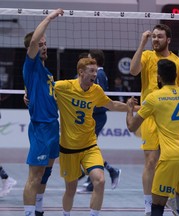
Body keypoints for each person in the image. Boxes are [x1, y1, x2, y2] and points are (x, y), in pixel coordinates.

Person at [54, 57, 135, 216]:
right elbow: (42, 88)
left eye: (96, 71)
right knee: (70, 189)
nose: (95, 75)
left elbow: (111, 105)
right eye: (91, 71)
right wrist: (28, 96)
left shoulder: (96, 90)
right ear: (81, 72)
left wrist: (129, 108)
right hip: (68, 149)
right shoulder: (64, 86)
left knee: (100, 181)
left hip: (90, 146)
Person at [126, 59, 179, 216]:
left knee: (157, 206)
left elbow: (132, 126)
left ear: (158, 77)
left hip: (171, 157)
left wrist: (129, 109)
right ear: (176, 75)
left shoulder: (154, 98)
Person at [130, 24, 179, 216]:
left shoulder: (178, 63)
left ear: (168, 40)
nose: (155, 40)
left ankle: (169, 197)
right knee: (151, 161)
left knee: (169, 161)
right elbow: (133, 71)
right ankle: (149, 205)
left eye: (159, 37)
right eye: (153, 36)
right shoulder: (147, 56)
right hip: (150, 116)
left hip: (170, 118)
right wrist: (142, 42)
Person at [22, 8, 64, 216]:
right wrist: (49, 18)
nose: (44, 46)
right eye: (41, 44)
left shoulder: (46, 72)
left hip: (53, 127)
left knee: (46, 173)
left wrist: (26, 92)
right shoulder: (30, 65)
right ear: (33, 47)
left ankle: (38, 210)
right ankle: (28, 213)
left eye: (45, 43)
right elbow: (32, 43)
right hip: (40, 127)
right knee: (34, 175)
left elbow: (36, 90)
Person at [78, 49, 121, 193]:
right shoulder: (99, 74)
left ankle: (95, 178)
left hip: (97, 116)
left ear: (95, 60)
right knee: (88, 149)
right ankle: (102, 174)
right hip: (94, 116)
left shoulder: (99, 75)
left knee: (88, 149)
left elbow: (99, 97)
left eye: (89, 58)